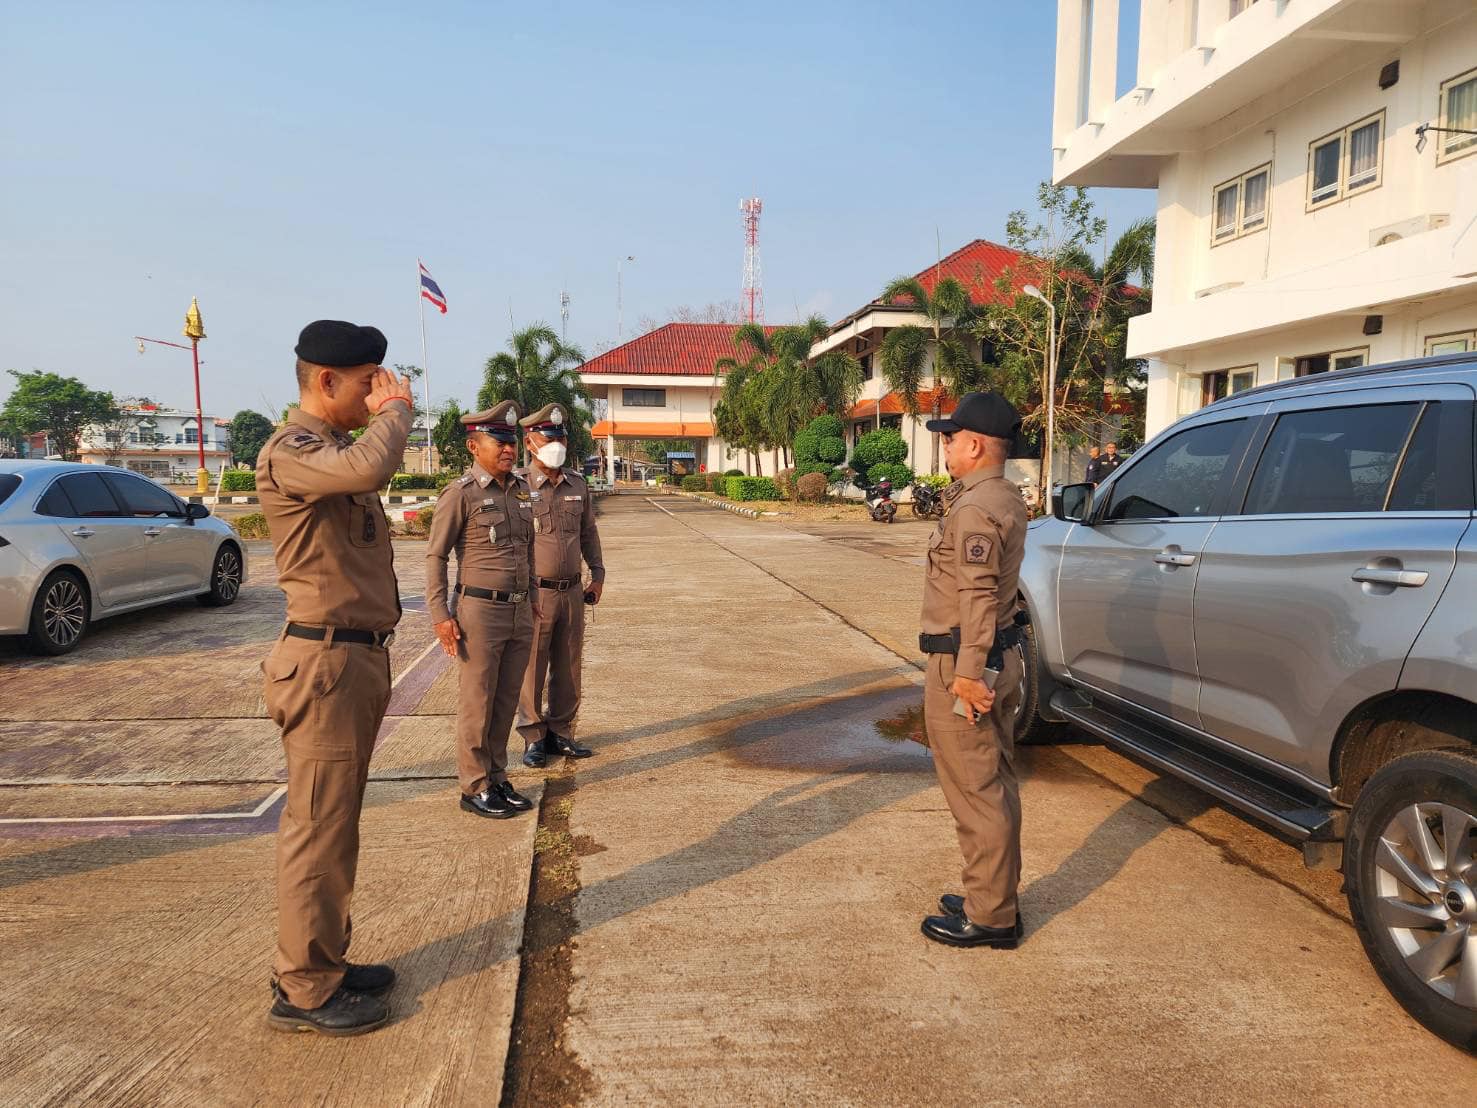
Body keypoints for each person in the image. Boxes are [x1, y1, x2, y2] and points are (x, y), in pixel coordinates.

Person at [257, 320, 414, 1035]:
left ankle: (320, 958)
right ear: (325, 381)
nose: (378, 393)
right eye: (367, 382)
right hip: (324, 664)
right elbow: (368, 470)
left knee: (334, 825)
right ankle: (305, 988)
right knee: (318, 828)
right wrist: (396, 412)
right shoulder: (293, 451)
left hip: (351, 659)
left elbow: (360, 468)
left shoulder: (329, 452)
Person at [916, 391, 1030, 949]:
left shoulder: (974, 509)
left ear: (976, 445)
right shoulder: (1003, 497)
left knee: (975, 790)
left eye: (951, 438)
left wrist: (967, 672)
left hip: (967, 662)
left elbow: (977, 594)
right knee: (994, 781)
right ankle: (994, 895)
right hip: (996, 655)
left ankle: (990, 917)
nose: (946, 447)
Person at [426, 402, 540, 819]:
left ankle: (496, 775)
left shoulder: (521, 490)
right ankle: (474, 786)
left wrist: (533, 600)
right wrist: (440, 615)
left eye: (511, 442)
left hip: (519, 610)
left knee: (506, 700)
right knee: (478, 701)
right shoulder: (461, 494)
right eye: (499, 442)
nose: (509, 449)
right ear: (474, 446)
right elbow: (436, 556)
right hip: (480, 612)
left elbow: (527, 551)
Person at [515, 403, 606, 767]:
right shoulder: (518, 486)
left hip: (572, 591)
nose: (557, 445)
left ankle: (561, 732)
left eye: (561, 438)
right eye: (548, 438)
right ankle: (533, 737)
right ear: (530, 442)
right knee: (532, 666)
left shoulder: (577, 484)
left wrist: (597, 574)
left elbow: (588, 533)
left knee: (569, 665)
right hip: (536, 593)